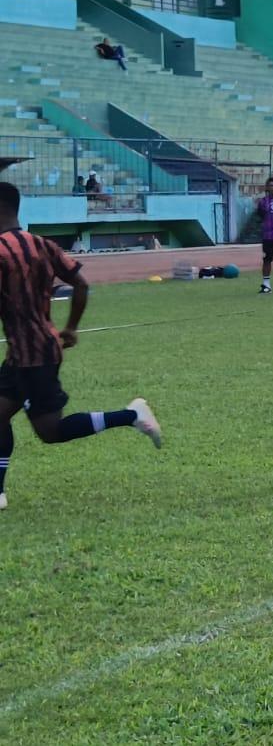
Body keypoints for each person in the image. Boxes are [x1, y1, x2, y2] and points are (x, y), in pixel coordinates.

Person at [0, 183, 162, 511]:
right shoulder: (42, 245)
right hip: (29, 351)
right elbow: (80, 283)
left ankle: (131, 415)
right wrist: (70, 327)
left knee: (51, 431)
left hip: (35, 357)